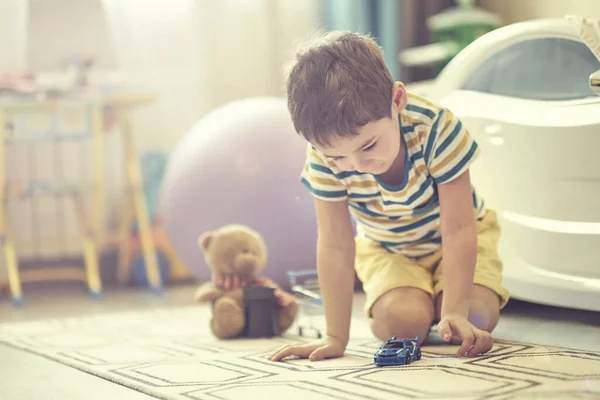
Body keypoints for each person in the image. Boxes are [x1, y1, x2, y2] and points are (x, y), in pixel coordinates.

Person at [220, 30, 509, 361]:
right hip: (388, 248)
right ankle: (423, 305)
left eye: (368, 145)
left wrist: (455, 309)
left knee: (475, 316)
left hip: (456, 237)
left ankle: (443, 304)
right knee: (404, 322)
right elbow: (336, 244)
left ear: (396, 100)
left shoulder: (436, 129)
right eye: (338, 157)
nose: (356, 166)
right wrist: (335, 336)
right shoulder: (322, 155)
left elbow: (459, 228)